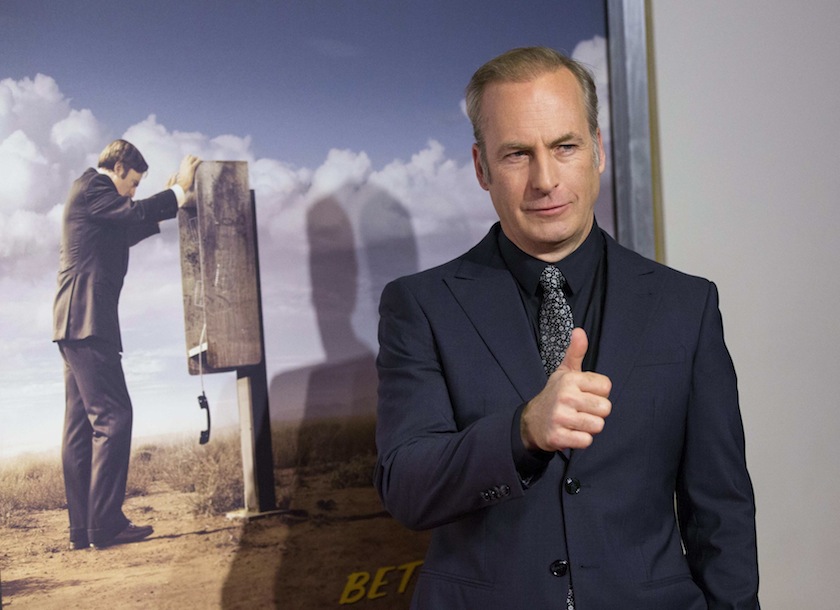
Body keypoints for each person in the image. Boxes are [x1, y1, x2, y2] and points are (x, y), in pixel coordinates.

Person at [374, 47, 759, 608]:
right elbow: (407, 488)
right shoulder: (420, 305)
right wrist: (522, 432)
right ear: (481, 168)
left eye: (564, 146)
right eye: (516, 155)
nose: (545, 179)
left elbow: (721, 512)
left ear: (597, 151)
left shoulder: (686, 305)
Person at [52, 139, 200, 550]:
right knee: (115, 417)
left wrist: (172, 203)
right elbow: (132, 212)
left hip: (72, 324)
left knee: (82, 428)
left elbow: (129, 228)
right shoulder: (93, 187)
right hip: (88, 323)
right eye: (133, 182)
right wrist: (179, 192)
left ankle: (83, 530)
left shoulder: (95, 205)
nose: (134, 190)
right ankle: (106, 525)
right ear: (117, 168)